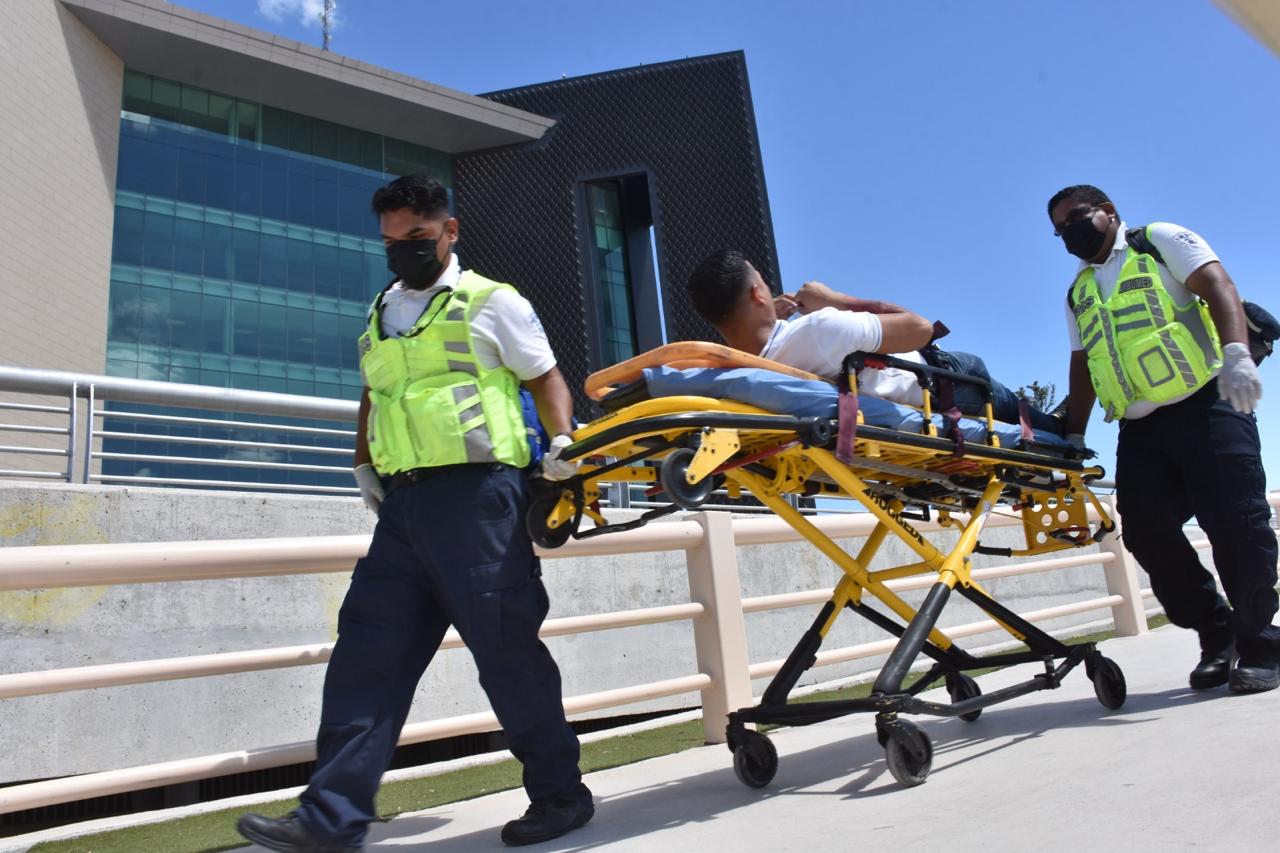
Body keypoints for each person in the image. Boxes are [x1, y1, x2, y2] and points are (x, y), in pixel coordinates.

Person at [236, 175, 594, 852]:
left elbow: (545, 376)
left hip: (480, 500)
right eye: (391, 241)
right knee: (367, 651)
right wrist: (363, 465)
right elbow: (374, 395)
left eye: (418, 237)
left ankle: (560, 794)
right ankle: (331, 817)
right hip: (403, 508)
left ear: (449, 231)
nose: (404, 251)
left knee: (506, 650)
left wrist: (562, 441)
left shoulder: (492, 301)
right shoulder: (382, 310)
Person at [1047, 183, 1277, 693]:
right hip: (1141, 427)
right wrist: (1073, 437)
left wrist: (1236, 354)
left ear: (1108, 212)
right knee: (1147, 532)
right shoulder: (1078, 292)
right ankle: (1216, 632)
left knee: (1236, 524)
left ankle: (1262, 643)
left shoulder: (1159, 240)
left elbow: (1218, 285)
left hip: (1208, 404)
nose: (1068, 233)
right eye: (1059, 230)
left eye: (1075, 218)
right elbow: (1083, 364)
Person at [685, 250, 1064, 434]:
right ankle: (1064, 430)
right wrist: (833, 300)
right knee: (1022, 411)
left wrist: (778, 322)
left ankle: (1056, 423)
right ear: (757, 294)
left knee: (1020, 408)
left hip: (911, 398)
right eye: (763, 283)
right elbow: (920, 328)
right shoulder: (820, 329)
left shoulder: (743, 375)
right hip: (947, 381)